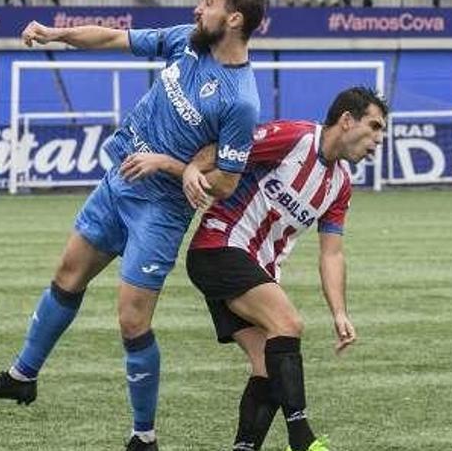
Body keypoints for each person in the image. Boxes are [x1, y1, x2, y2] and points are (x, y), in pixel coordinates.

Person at [0, 0, 268, 451]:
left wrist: (170, 164)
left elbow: (226, 182)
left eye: (206, 2)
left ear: (233, 18)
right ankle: (22, 376)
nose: (196, 9)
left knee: (131, 321)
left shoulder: (241, 101)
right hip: (118, 182)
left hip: (161, 211)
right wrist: (55, 34)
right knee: (67, 275)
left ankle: (143, 436)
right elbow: (113, 36)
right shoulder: (186, 42)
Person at [122, 87, 387, 451]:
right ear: (346, 120)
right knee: (289, 324)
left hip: (251, 268)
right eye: (374, 127)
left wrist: (340, 312)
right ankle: (302, 438)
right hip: (219, 247)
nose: (378, 139)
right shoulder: (295, 138)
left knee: (268, 367)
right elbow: (227, 151)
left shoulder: (340, 185)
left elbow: (332, 255)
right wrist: (184, 169)